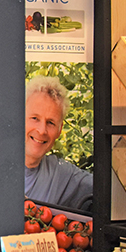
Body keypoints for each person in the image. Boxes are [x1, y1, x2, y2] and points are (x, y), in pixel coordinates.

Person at [25, 75, 93, 211]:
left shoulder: (62, 175)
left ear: (59, 130)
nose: (42, 130)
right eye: (35, 118)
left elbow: (107, 188)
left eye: (50, 123)